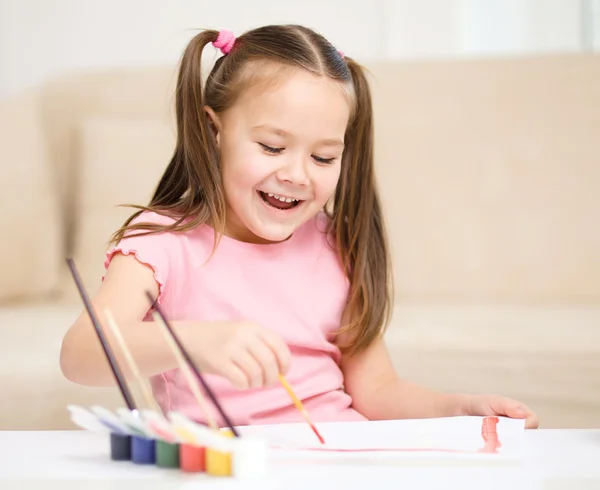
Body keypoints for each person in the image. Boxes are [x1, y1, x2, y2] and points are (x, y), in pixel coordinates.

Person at [60, 25, 538, 429]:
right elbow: (80, 355)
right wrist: (194, 340)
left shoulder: (334, 244)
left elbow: (377, 391)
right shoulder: (161, 244)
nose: (297, 174)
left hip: (340, 461)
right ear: (213, 130)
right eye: (271, 146)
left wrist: (461, 410)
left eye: (323, 156)